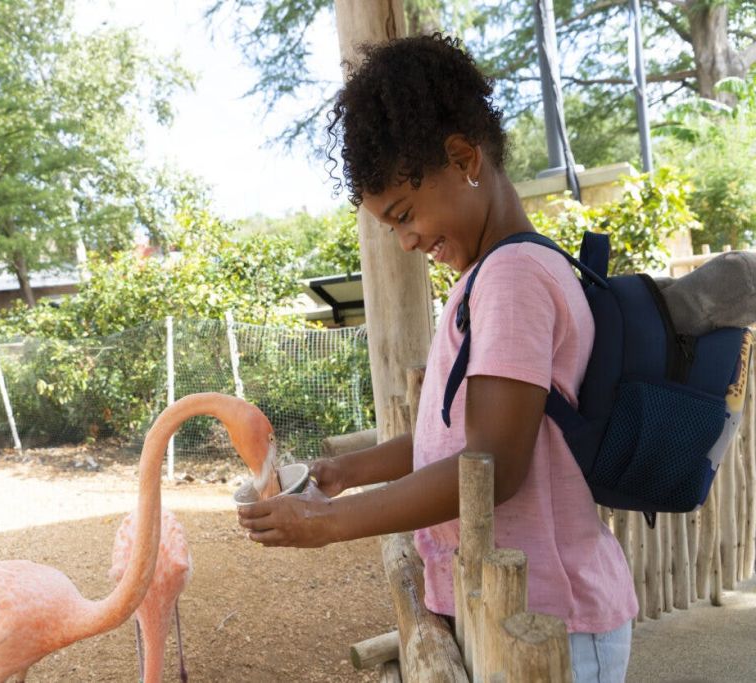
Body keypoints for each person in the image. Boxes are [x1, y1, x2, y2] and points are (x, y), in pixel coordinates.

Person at [236, 35, 636, 682]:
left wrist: (329, 522)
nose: (406, 240)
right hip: (525, 613)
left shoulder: (511, 279)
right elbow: (452, 436)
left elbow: (490, 467)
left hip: (547, 620)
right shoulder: (494, 276)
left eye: (404, 214)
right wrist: (346, 470)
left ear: (462, 158)